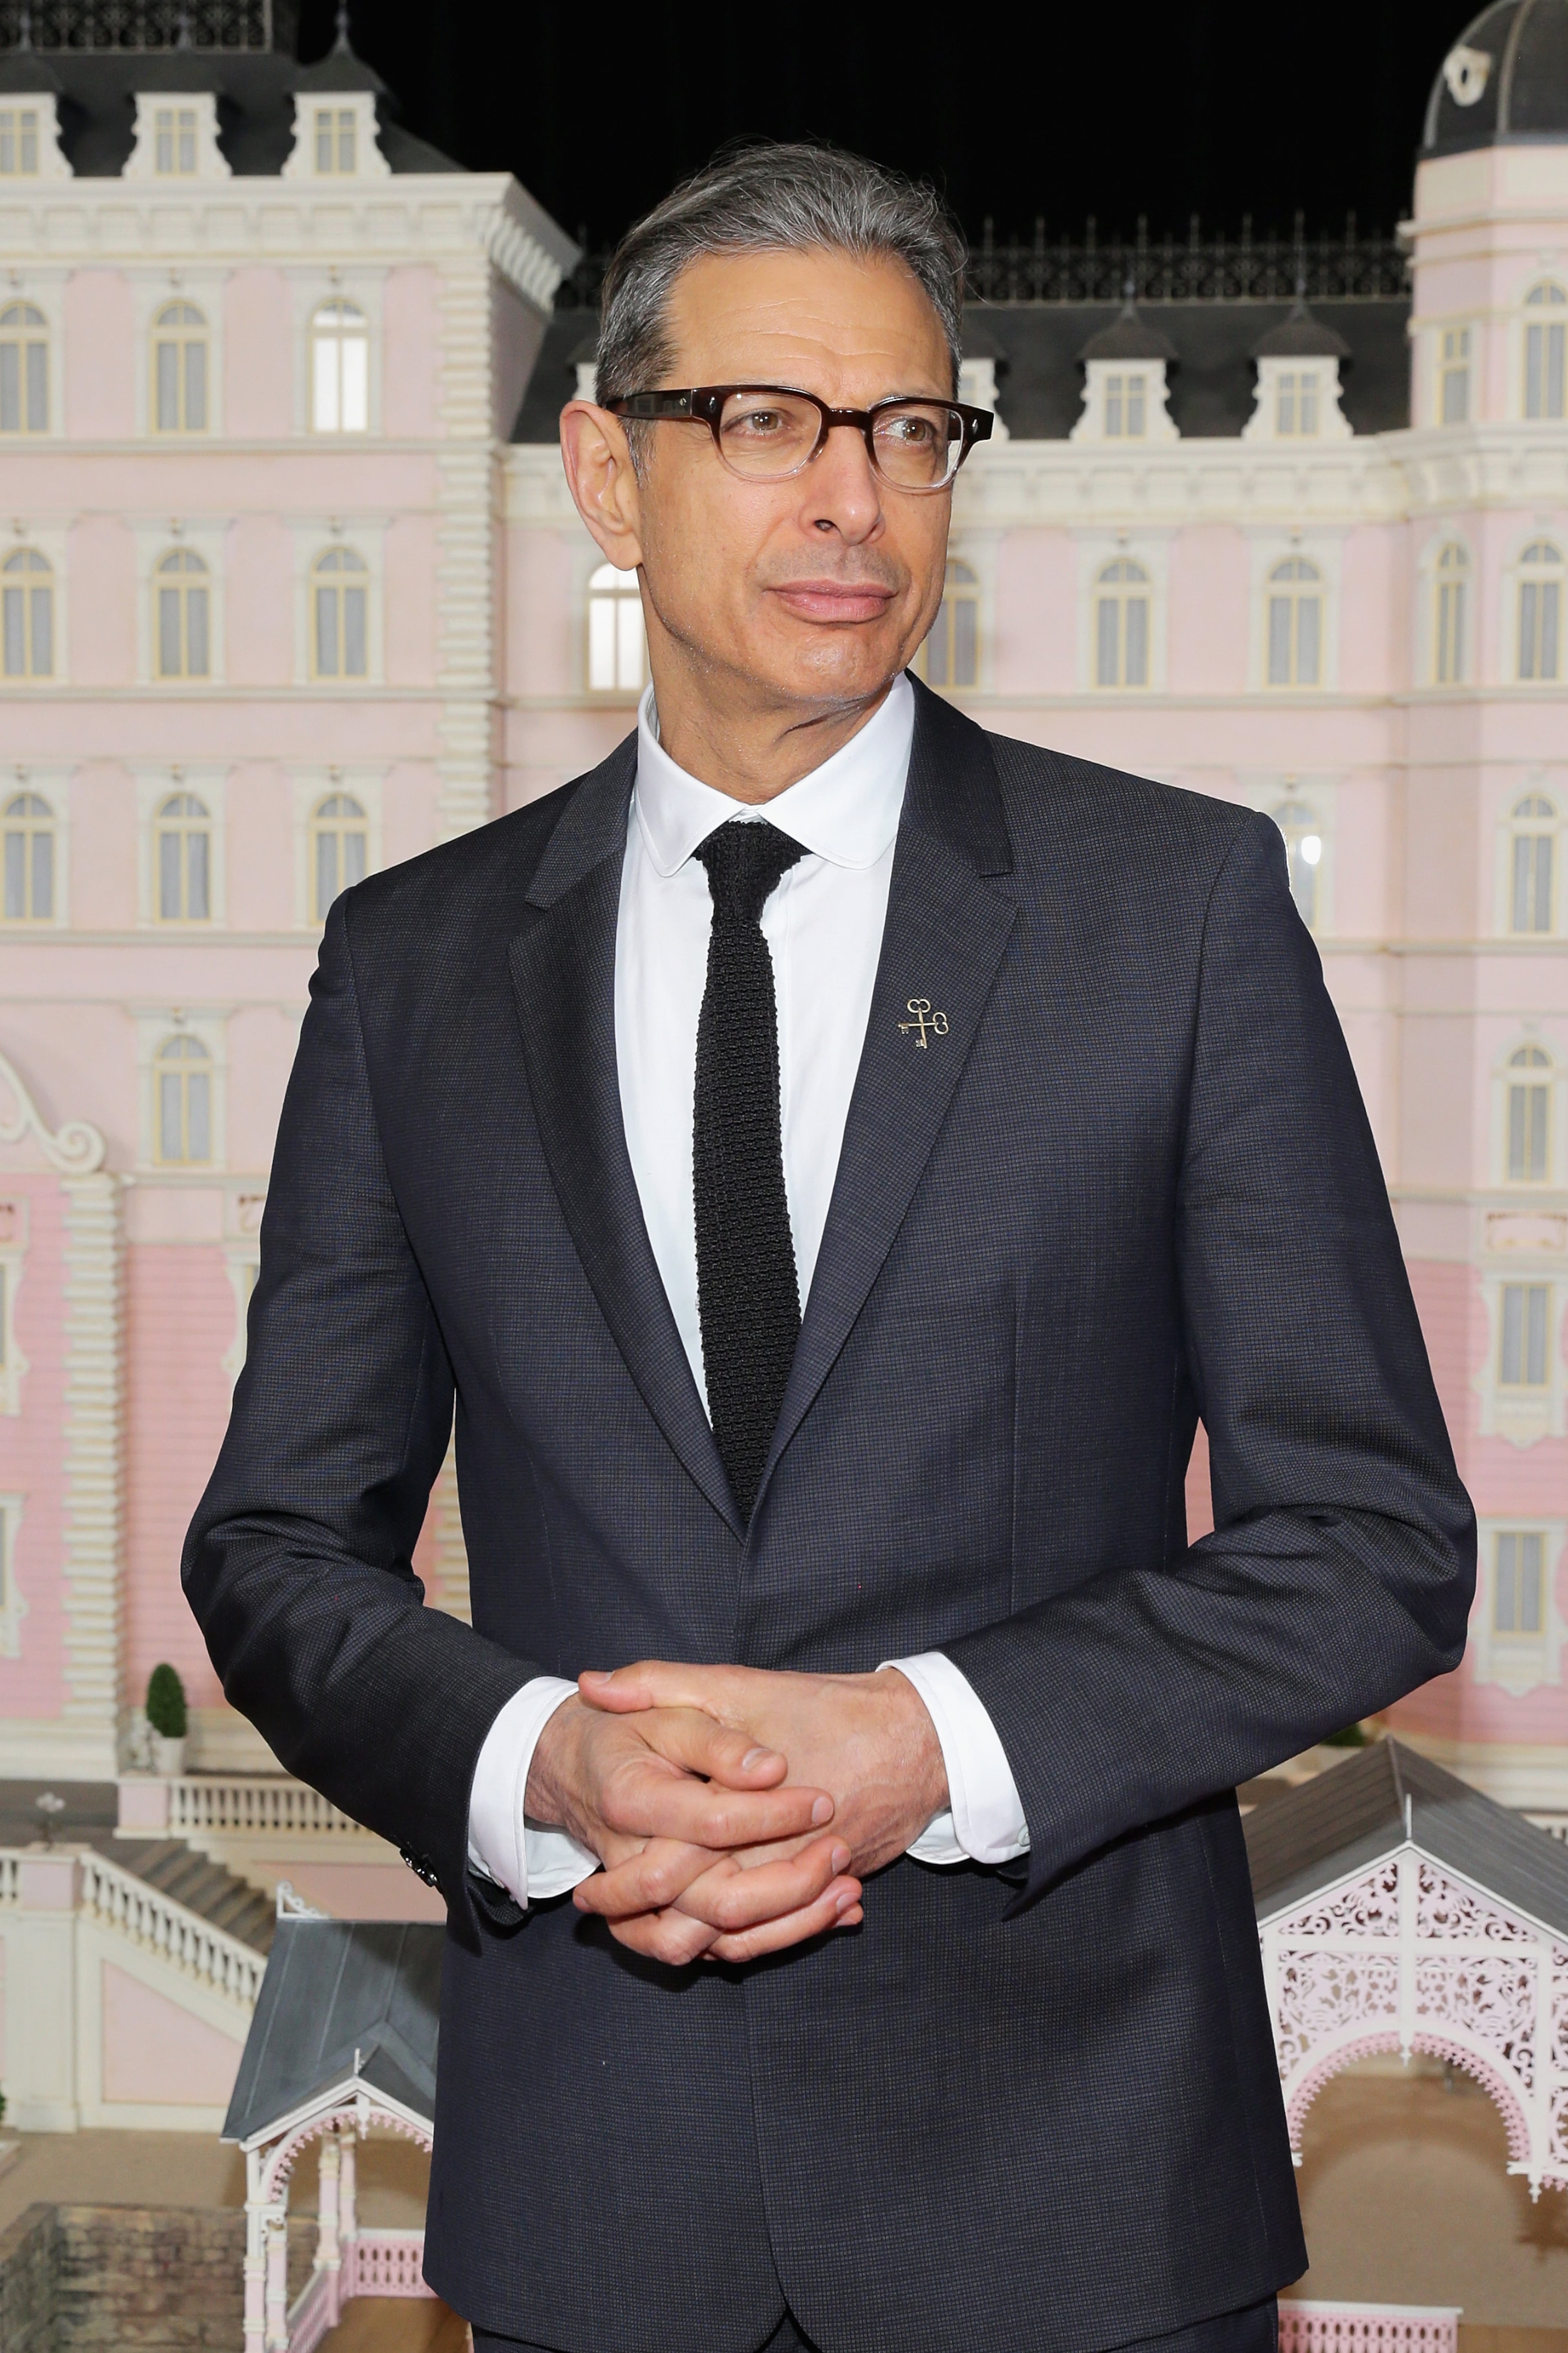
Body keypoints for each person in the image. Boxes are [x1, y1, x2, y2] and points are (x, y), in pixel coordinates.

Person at [184, 144, 1474, 2353]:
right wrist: (536, 1768)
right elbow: (280, 1543)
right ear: (608, 465)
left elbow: (1370, 1539)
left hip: (1078, 2212)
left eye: (909, 430)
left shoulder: (1174, 915)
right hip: (598, 2202)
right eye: (766, 422)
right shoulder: (412, 968)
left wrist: (929, 1740)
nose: (853, 499)